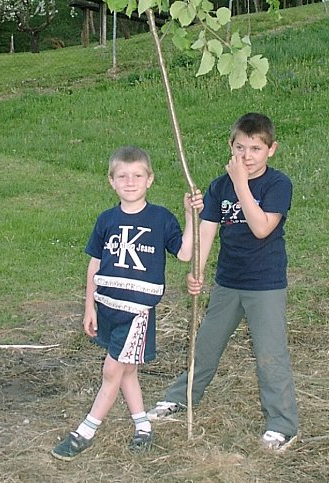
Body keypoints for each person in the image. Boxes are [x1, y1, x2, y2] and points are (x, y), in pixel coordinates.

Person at [146, 113, 299, 451]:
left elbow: (261, 228)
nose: (247, 156)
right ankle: (180, 399)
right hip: (227, 282)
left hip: (265, 284)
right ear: (230, 147)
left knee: (270, 355)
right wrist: (196, 273)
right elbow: (207, 232)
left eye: (256, 148)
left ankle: (282, 424)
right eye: (240, 147)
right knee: (205, 346)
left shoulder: (277, 185)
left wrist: (241, 183)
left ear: (271, 150)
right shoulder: (218, 187)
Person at [51, 145, 203, 461]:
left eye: (137, 176)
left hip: (137, 313)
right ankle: (143, 426)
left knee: (111, 372)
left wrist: (190, 215)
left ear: (150, 180)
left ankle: (85, 432)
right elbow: (94, 263)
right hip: (107, 307)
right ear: (112, 181)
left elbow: (186, 253)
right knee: (126, 372)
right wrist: (89, 307)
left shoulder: (160, 218)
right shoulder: (106, 220)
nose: (130, 182)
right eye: (123, 176)